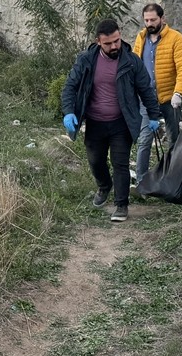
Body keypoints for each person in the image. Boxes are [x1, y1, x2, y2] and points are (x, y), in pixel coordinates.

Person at [62, 19, 162, 223]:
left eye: (116, 41)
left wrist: (153, 115)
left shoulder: (131, 61)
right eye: (108, 43)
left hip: (121, 122)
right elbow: (70, 86)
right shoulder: (86, 60)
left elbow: (145, 89)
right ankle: (104, 186)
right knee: (95, 161)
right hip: (95, 122)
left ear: (120, 35)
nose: (114, 46)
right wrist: (68, 112)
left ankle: (121, 204)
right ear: (98, 41)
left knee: (120, 163)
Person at [131, 3, 182, 181]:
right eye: (146, 20)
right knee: (144, 139)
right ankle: (142, 180)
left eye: (153, 20)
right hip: (146, 99)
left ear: (162, 19)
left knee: (173, 139)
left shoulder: (176, 38)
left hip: (169, 98)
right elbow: (134, 66)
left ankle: (172, 177)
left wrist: (178, 93)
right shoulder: (141, 38)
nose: (149, 23)